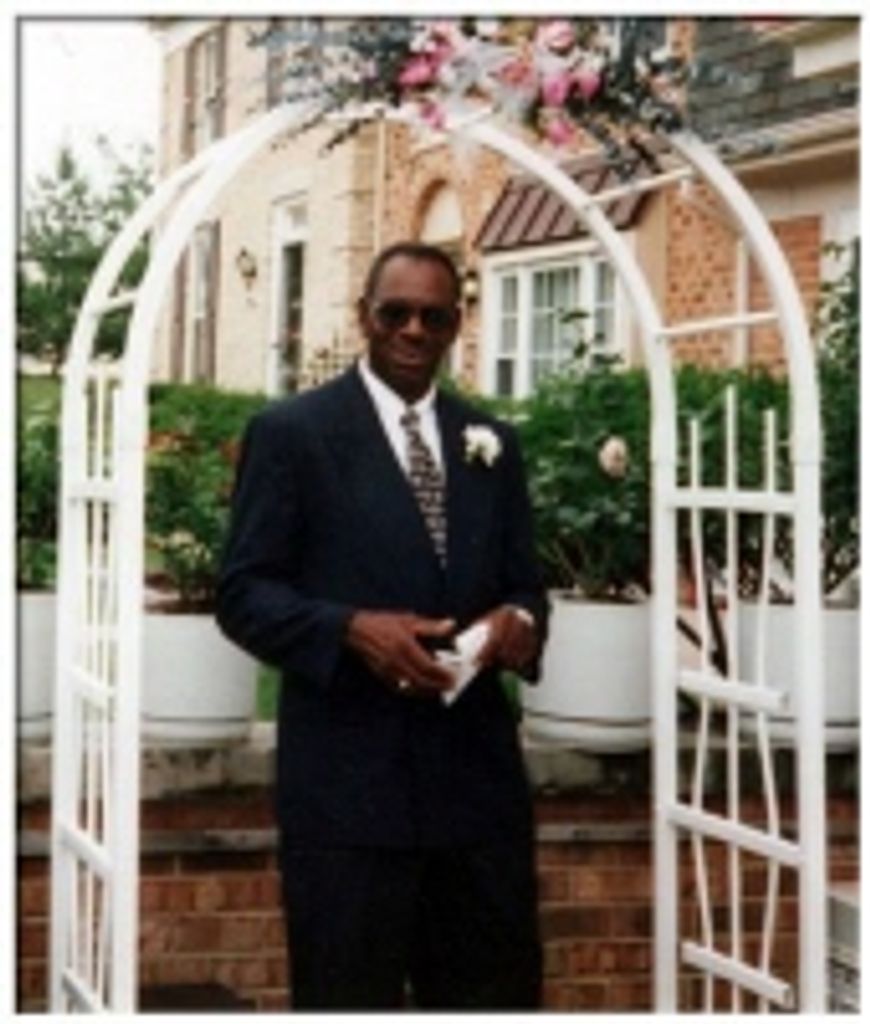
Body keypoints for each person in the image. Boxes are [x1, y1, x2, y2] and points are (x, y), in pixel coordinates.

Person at [216, 241, 549, 1010]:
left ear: (457, 324)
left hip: (476, 797)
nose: (413, 331)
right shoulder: (293, 434)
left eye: (434, 317)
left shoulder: (492, 443)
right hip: (348, 796)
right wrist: (348, 629)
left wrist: (519, 620)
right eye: (395, 313)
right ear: (364, 315)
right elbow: (242, 593)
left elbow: (526, 585)